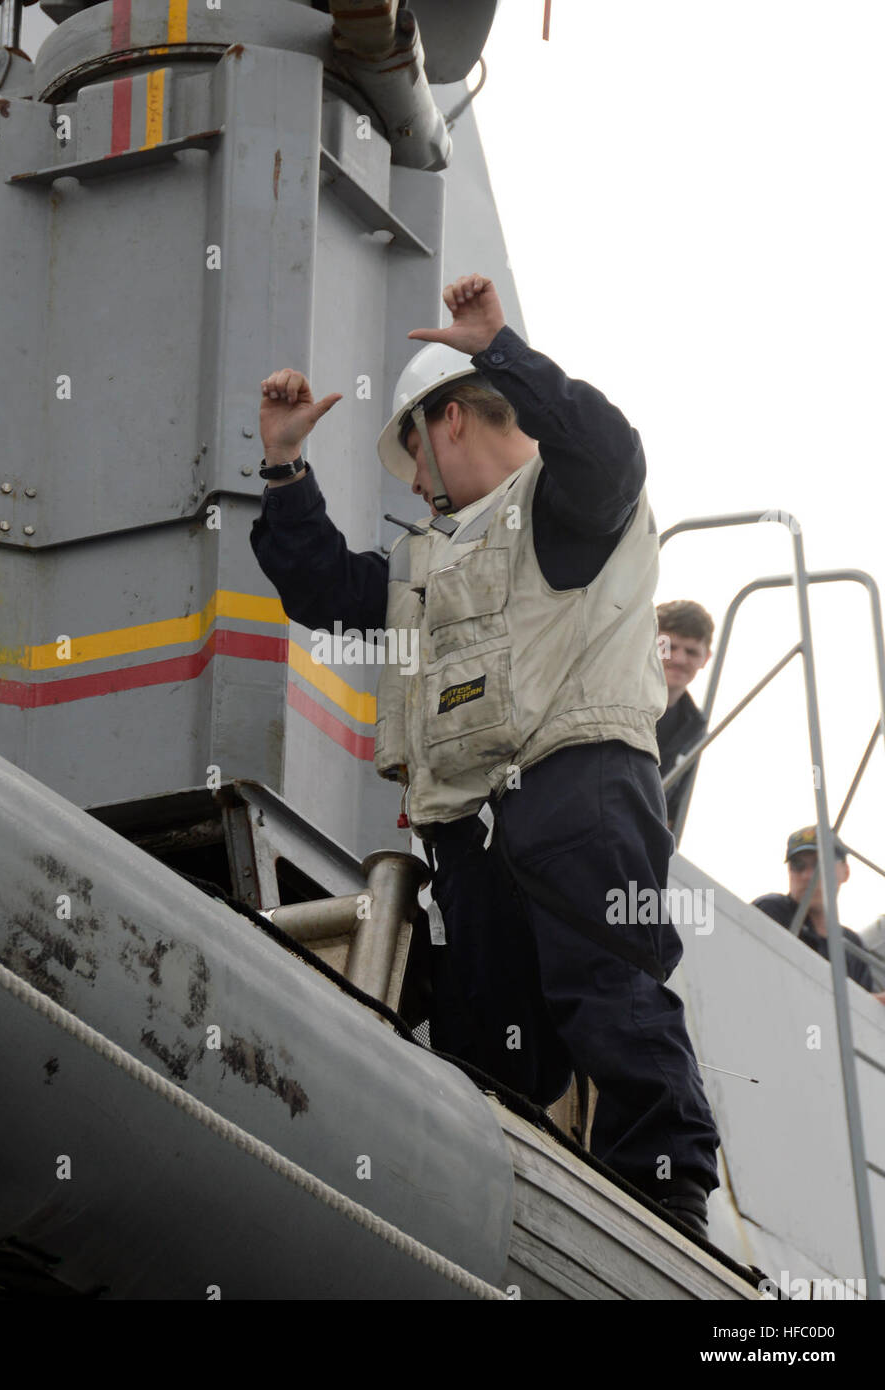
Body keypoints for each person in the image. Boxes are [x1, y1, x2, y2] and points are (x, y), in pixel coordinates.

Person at [250, 273, 721, 1235]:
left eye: (414, 458)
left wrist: (502, 346)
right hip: (472, 838)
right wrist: (286, 471)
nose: (415, 487)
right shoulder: (427, 561)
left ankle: (670, 1202)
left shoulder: (572, 502)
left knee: (609, 992)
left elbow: (607, 446)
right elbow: (324, 586)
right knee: (485, 1038)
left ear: (450, 418)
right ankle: (489, 1211)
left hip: (576, 795)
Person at [753, 828, 885, 999]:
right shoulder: (773, 911)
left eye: (820, 864)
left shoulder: (852, 945)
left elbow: (860, 1015)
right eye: (798, 866)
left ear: (845, 871)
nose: (808, 875)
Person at [655, 601, 713, 833]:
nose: (679, 659)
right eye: (670, 646)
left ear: (706, 658)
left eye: (691, 651)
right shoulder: (606, 696)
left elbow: (673, 816)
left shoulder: (696, 732)